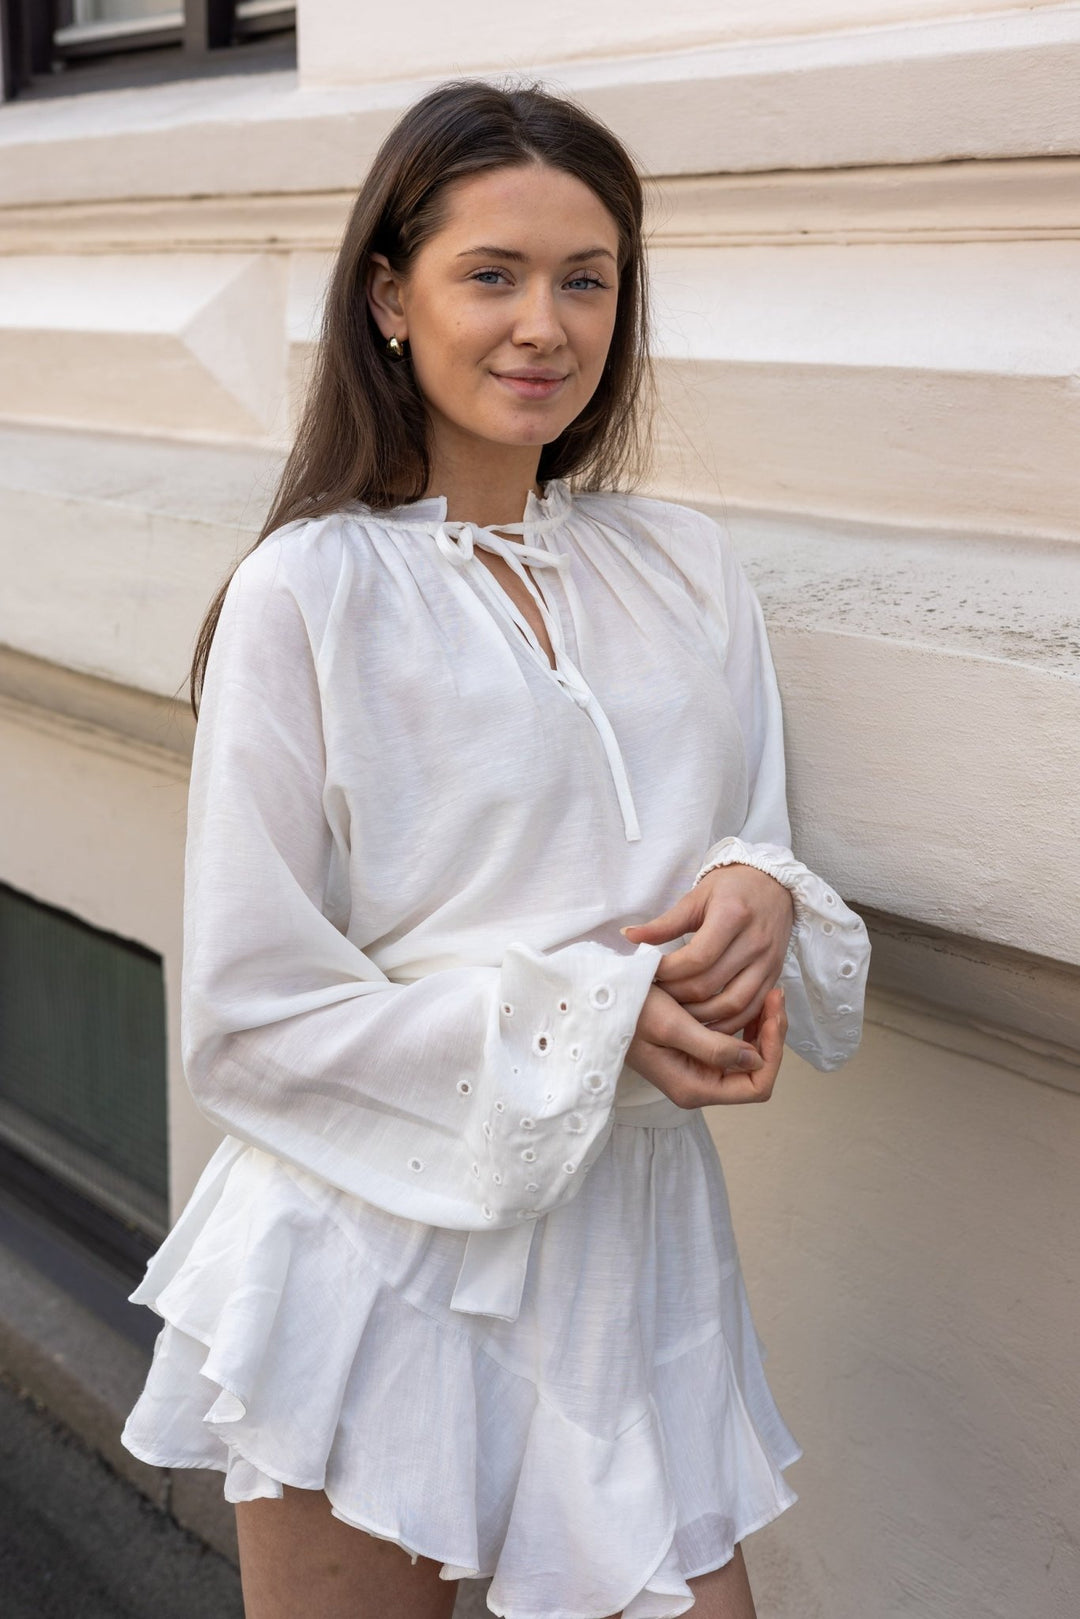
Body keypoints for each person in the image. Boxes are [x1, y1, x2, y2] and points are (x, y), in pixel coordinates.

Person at [120, 78, 870, 1619]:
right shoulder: (307, 594)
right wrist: (598, 1019)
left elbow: (751, 833)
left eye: (586, 279)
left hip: (630, 1254)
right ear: (389, 298)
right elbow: (253, 1020)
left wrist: (753, 893)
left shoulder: (683, 566)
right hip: (377, 1253)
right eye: (493, 274)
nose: (546, 323)